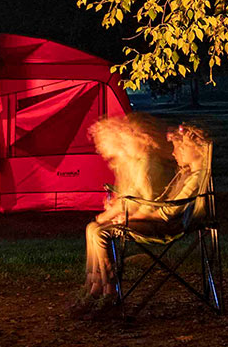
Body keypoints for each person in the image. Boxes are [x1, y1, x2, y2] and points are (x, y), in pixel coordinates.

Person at [78, 118, 212, 313]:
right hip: (158, 220)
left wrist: (131, 218)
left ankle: (107, 290)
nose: (175, 152)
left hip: (168, 226)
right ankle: (98, 286)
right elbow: (160, 202)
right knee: (95, 229)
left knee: (100, 233)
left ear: (197, 150)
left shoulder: (195, 178)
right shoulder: (186, 173)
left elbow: (168, 212)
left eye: (181, 147)